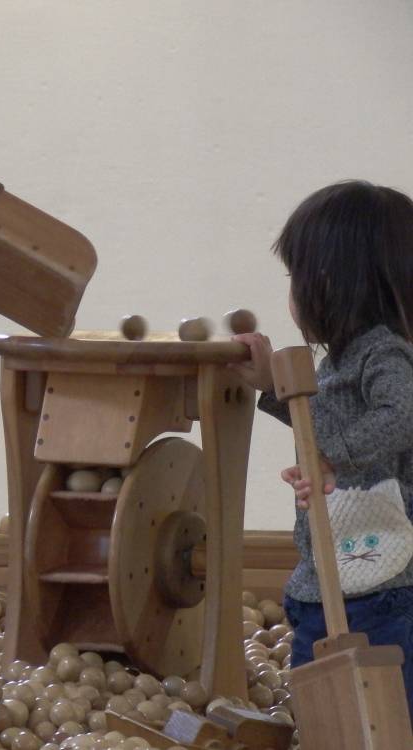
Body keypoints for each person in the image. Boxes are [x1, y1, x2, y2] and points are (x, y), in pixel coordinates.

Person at [231, 180, 413, 716]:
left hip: (381, 582)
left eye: (296, 277)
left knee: (385, 704)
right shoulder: (340, 360)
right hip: (334, 572)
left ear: (332, 282)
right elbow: (321, 428)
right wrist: (273, 388)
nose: (292, 294)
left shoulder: (383, 354)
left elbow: (402, 414)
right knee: (322, 692)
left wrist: (335, 456)